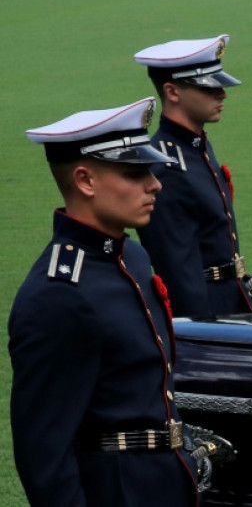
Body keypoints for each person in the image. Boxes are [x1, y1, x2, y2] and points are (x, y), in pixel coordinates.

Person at [9, 98, 200, 505]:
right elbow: (44, 455)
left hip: (167, 484)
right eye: (134, 173)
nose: (154, 184)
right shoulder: (58, 294)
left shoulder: (133, 256)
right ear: (85, 181)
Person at [133, 34, 252, 319]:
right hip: (206, 315)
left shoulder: (195, 147)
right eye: (208, 88)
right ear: (172, 92)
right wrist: (203, 333)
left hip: (229, 302)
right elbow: (176, 271)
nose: (222, 94)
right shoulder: (165, 167)